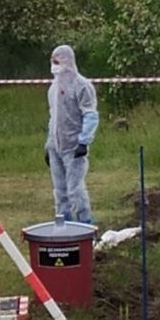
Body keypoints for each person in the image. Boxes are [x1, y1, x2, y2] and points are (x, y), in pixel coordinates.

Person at [45, 45, 99, 223]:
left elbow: (90, 114)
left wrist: (84, 141)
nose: (54, 65)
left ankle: (85, 225)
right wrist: (49, 144)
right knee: (59, 191)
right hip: (56, 147)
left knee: (75, 190)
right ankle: (63, 225)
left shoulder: (81, 85)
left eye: (57, 61)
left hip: (73, 147)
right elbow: (54, 117)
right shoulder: (53, 88)